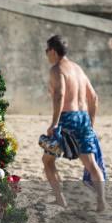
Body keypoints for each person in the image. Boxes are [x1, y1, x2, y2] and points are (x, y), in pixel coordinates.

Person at [42, 35, 106, 211]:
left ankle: (60, 199)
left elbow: (59, 95)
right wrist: (90, 122)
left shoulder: (57, 69)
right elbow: (94, 97)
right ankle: (101, 202)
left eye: (47, 50)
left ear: (53, 51)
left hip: (66, 121)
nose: (46, 54)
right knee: (91, 164)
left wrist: (54, 123)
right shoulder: (78, 69)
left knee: (48, 160)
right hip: (83, 118)